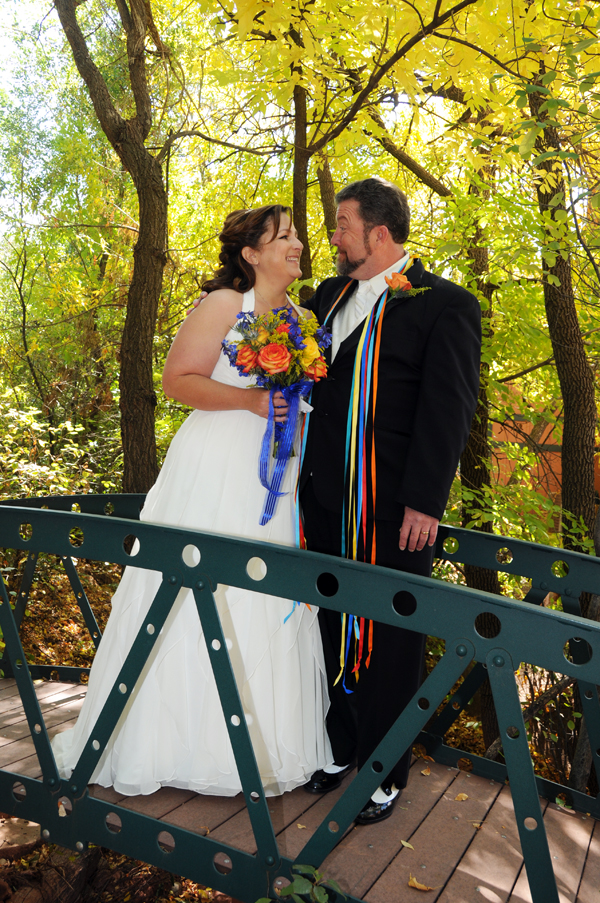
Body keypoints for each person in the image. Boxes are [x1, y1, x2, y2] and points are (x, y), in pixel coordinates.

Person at [52, 204, 332, 797]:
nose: (297, 243)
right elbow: (178, 380)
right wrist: (252, 403)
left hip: (275, 476)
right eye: (283, 236)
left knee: (261, 593)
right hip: (215, 465)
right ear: (251, 254)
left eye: (297, 234)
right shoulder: (224, 305)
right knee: (191, 589)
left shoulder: (302, 317)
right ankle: (163, 742)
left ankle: (252, 752)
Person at [299, 177, 481, 823]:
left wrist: (426, 501)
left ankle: (384, 768)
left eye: (342, 223)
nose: (334, 235)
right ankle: (342, 743)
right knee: (328, 622)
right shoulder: (326, 297)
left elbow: (449, 409)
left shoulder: (443, 305)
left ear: (379, 232)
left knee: (391, 635)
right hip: (321, 499)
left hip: (392, 509)